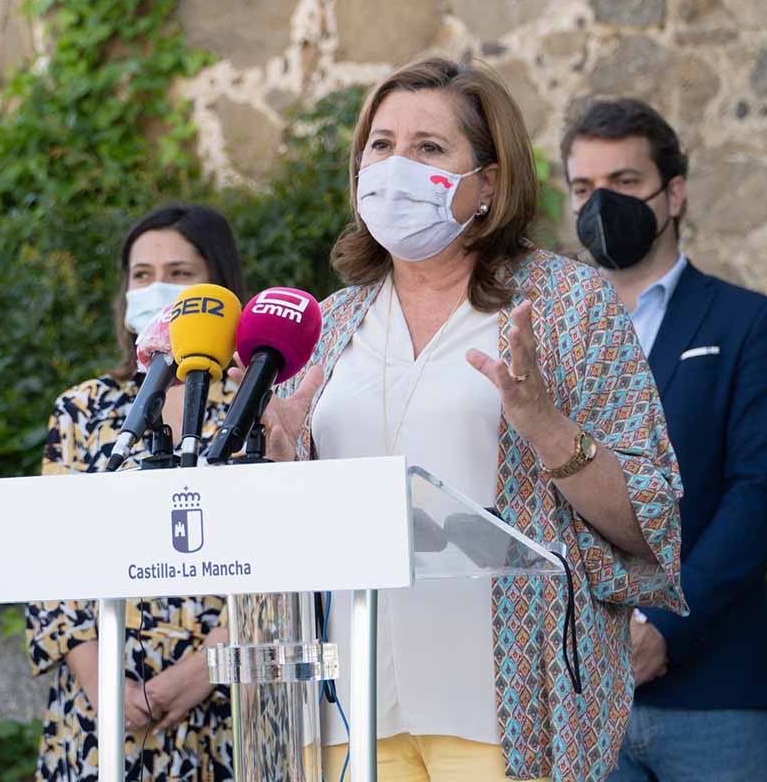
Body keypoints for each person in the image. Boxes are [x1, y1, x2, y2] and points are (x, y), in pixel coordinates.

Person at [255, 58, 686, 781]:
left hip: (502, 706)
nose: (396, 167)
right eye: (381, 145)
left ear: (487, 183)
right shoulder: (325, 326)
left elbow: (651, 524)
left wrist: (544, 425)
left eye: (429, 148)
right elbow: (290, 531)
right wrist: (278, 455)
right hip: (346, 711)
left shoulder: (568, 307)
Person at [562, 98, 767, 782]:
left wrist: (668, 625)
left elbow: (762, 495)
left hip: (714, 692)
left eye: (625, 183)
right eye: (583, 189)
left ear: (675, 193)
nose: (602, 204)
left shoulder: (751, 323)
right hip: (583, 698)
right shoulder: (550, 335)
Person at [24, 204, 245, 781]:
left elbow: (290, 562)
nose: (158, 289)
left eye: (179, 273)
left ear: (221, 287)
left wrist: (202, 671)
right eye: (142, 275)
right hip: (102, 716)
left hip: (230, 701)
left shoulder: (262, 408)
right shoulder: (82, 408)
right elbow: (49, 563)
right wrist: (104, 685)